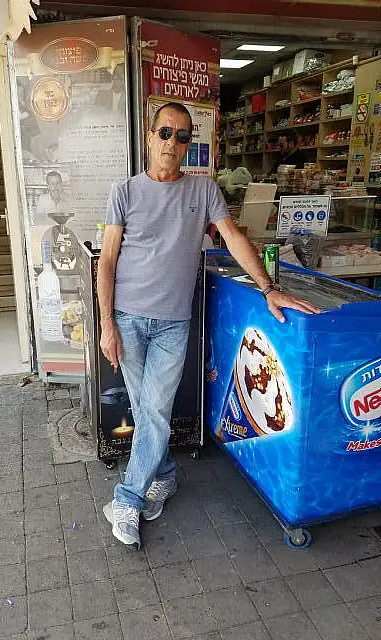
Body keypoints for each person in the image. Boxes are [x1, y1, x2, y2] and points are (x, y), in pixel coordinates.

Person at [97, 102, 320, 550]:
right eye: (165, 132)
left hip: (172, 325)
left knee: (154, 412)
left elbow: (233, 237)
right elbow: (107, 260)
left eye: (182, 136)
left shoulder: (203, 191)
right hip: (128, 319)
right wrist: (106, 323)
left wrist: (268, 288)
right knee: (146, 411)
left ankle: (126, 498)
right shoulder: (124, 191)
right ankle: (164, 474)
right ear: (150, 136)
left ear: (188, 145)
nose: (172, 143)